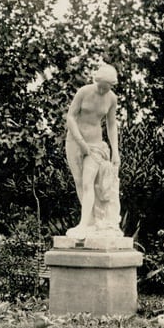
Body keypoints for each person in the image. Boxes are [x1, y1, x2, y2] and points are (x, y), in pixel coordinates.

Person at [64, 63, 123, 239]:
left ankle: (83, 225)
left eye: (108, 87)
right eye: (102, 86)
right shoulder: (84, 92)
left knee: (89, 182)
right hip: (75, 142)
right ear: (97, 80)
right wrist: (81, 142)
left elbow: (112, 125)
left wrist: (115, 151)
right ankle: (90, 222)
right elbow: (71, 116)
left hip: (96, 145)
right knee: (80, 182)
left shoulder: (112, 98)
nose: (104, 90)